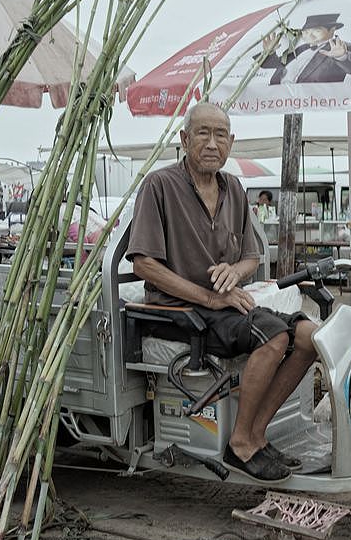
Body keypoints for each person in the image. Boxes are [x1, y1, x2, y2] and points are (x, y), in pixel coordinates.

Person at [126, 103, 315, 483]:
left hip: (223, 308)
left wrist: (235, 271)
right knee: (275, 336)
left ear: (231, 142)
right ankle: (239, 445)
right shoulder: (159, 186)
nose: (212, 143)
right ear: (184, 139)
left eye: (221, 135)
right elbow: (143, 265)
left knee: (310, 336)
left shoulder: (234, 189)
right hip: (178, 312)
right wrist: (210, 297)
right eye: (203, 133)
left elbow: (251, 257)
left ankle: (257, 435)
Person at [260, 14, 351, 85]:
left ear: (332, 30)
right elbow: (273, 65)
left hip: (313, 102)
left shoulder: (345, 47)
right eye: (306, 32)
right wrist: (269, 52)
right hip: (280, 98)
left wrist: (342, 57)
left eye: (316, 31)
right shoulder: (301, 48)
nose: (309, 36)